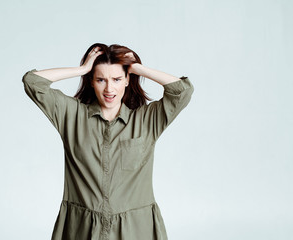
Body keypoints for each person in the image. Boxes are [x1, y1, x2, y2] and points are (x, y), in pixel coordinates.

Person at [22, 43, 194, 240]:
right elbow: (33, 82)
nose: (109, 88)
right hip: (82, 230)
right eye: (101, 79)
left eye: (117, 79)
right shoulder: (72, 116)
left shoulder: (147, 120)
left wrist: (138, 68)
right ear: (92, 82)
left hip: (136, 231)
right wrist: (82, 69)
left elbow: (183, 91)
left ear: (128, 80)